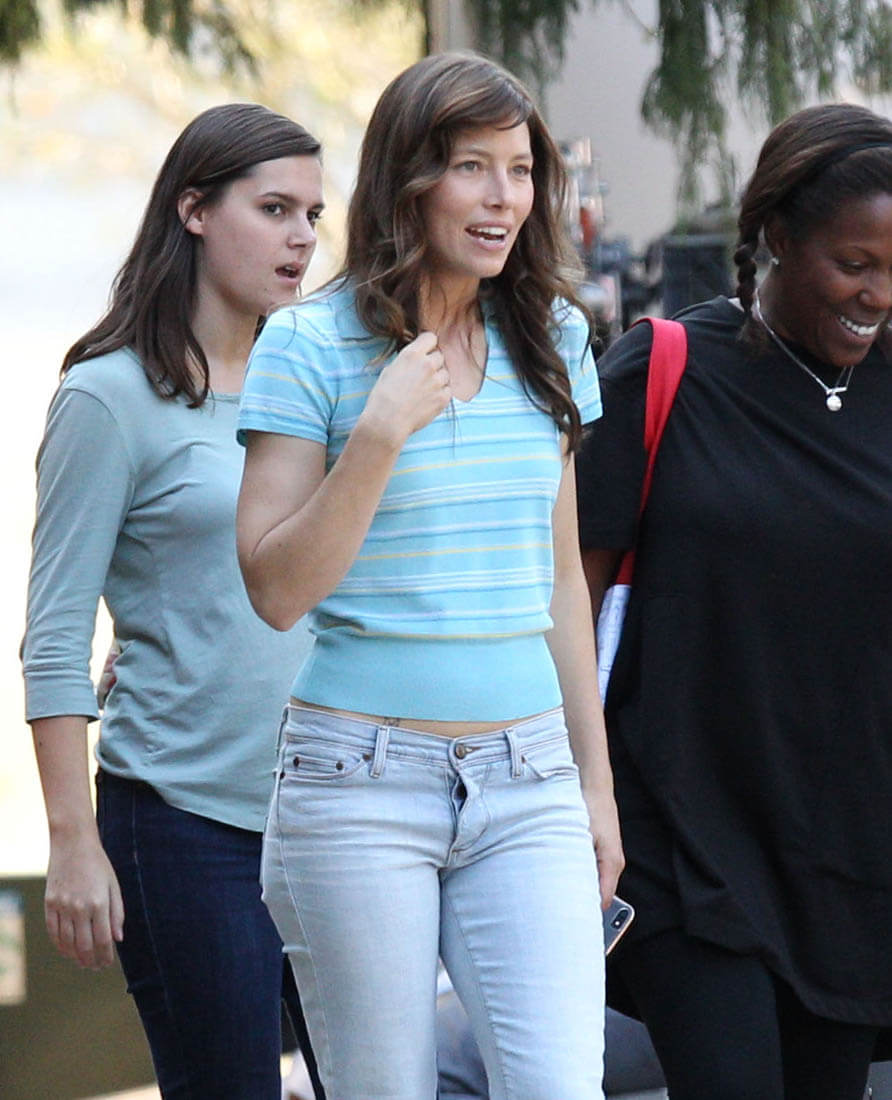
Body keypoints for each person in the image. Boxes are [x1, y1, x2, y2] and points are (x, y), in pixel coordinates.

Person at [235, 51, 623, 1100]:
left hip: (529, 777)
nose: (503, 197)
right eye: (471, 167)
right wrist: (377, 435)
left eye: (520, 169)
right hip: (356, 785)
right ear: (409, 180)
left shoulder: (554, 336)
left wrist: (595, 786)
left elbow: (560, 584)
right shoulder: (305, 344)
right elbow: (274, 589)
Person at [576, 102, 892, 1100]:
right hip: (682, 831)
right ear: (777, 238)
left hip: (851, 845)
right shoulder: (662, 370)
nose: (878, 295)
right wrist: (583, 793)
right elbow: (566, 602)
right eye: (855, 263)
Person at [22, 103, 327, 1100]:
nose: (300, 237)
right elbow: (55, 636)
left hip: (338, 813)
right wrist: (72, 842)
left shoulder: (318, 386)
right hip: (188, 826)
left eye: (312, 215)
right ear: (193, 210)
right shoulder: (109, 397)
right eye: (273, 208)